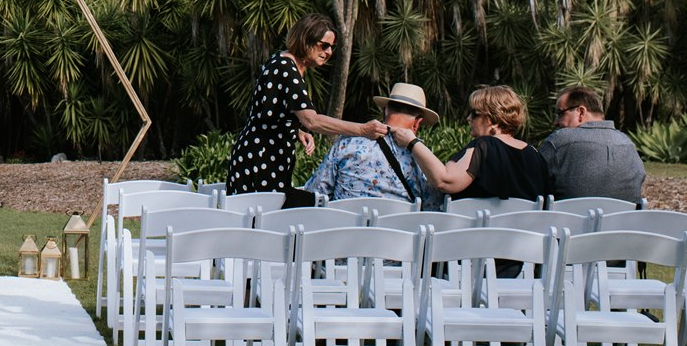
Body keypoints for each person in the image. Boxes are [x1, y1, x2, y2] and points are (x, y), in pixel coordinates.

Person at [226, 14, 389, 205]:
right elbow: (312, 120)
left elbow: (269, 112)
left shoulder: (283, 63)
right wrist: (362, 130)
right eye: (324, 45)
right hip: (260, 160)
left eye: (331, 47)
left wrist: (295, 131)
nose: (329, 52)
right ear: (306, 40)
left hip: (262, 158)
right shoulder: (286, 68)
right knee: (264, 224)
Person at [393, 83, 553, 203]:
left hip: (480, 242)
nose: (468, 118)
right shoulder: (534, 154)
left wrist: (412, 142)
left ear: (493, 120)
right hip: (527, 242)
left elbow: (445, 181)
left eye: (475, 114)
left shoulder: (484, 147)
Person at [305, 81, 440, 207]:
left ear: (384, 111)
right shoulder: (423, 159)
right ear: (417, 123)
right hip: (396, 231)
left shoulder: (346, 143)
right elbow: (431, 207)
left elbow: (316, 192)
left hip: (345, 230)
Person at [538, 85, 647, 203]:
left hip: (571, 220)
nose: (556, 122)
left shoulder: (559, 142)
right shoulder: (629, 145)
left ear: (581, 112)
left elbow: (533, 184)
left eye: (560, 113)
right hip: (621, 221)